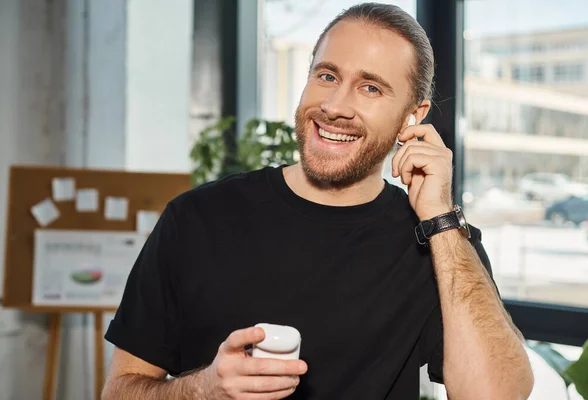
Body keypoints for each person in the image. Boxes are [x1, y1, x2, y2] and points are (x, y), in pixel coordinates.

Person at [102, 3, 533, 399]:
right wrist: (204, 389)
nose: (334, 106)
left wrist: (440, 217)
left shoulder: (437, 241)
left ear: (412, 117)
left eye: (370, 88)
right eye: (327, 76)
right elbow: (119, 390)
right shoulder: (196, 218)